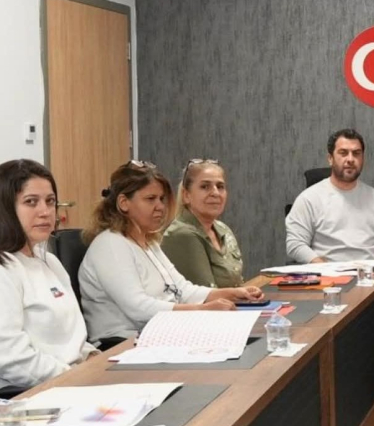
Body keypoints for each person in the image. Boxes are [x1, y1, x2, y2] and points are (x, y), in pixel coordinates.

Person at [79, 161, 262, 344]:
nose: (160, 206)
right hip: (122, 343)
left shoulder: (149, 242)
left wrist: (233, 293)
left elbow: (182, 289)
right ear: (124, 203)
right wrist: (202, 310)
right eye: (150, 199)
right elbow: (138, 308)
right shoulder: (110, 244)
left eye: (161, 199)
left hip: (160, 332)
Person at [0, 159, 95, 389]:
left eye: (50, 201)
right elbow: (12, 359)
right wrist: (74, 377)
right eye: (31, 202)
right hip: (31, 391)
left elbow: (72, 338)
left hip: (70, 379)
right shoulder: (5, 269)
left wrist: (94, 359)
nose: (45, 212)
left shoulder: (49, 261)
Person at [285, 129, 374, 263]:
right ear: (330, 159)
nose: (350, 159)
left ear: (363, 159)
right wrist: (319, 265)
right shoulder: (309, 199)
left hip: (370, 273)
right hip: (327, 273)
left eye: (356, 153)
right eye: (343, 153)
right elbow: (295, 243)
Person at [163, 159, 245, 288]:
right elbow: (207, 294)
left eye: (220, 187)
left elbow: (237, 283)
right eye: (205, 187)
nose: (215, 193)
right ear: (186, 195)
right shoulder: (182, 235)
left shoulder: (223, 229)